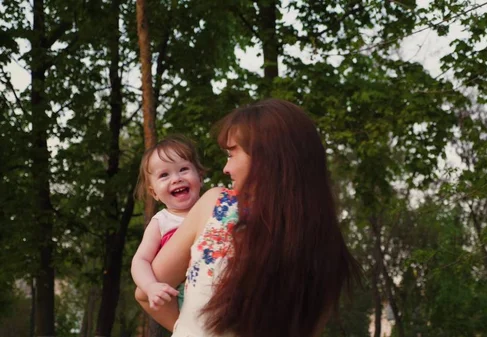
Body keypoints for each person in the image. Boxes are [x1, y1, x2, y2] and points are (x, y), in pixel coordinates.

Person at [135, 99, 361, 337]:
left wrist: (190, 330)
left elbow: (144, 293)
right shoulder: (326, 245)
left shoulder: (216, 206)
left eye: (232, 154)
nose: (225, 168)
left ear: (267, 159)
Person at [131, 135, 206, 309]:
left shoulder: (212, 208)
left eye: (183, 169)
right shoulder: (161, 222)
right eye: (164, 175)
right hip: (188, 300)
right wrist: (150, 286)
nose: (176, 178)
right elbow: (140, 260)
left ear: (200, 177)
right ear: (154, 192)